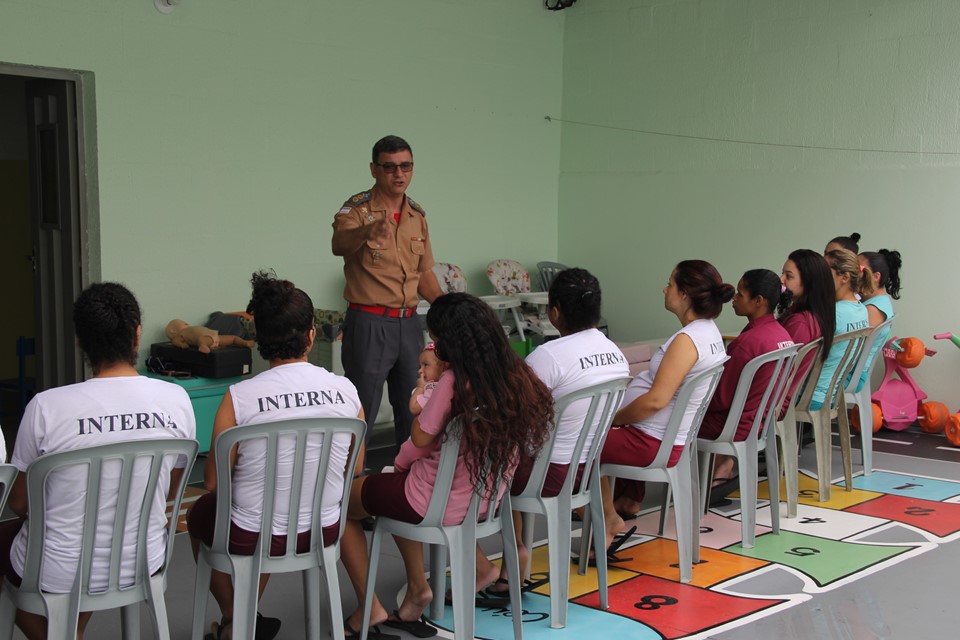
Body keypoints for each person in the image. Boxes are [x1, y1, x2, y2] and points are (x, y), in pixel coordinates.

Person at [339, 292, 553, 638]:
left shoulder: (453, 382)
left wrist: (423, 393)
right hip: (486, 500)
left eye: (437, 342)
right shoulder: (516, 376)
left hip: (432, 501)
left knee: (343, 503)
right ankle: (428, 586)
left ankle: (372, 605)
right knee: (393, 488)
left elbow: (420, 438)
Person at [0, 283, 196, 640]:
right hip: (144, 558)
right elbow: (169, 488)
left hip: (57, 571)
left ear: (80, 340)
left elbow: (19, 503)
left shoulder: (46, 407)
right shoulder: (176, 399)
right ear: (137, 335)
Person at [186, 272, 364, 640]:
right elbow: (356, 467)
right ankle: (239, 620)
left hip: (252, 535)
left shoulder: (239, 397)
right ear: (311, 335)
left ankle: (235, 618)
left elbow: (214, 481)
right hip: (324, 529)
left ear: (260, 340)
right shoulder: (345, 390)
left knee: (198, 515)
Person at [479, 267, 629, 594]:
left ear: (554, 312)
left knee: (485, 462)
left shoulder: (548, 356)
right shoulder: (615, 354)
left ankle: (512, 557)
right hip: (588, 471)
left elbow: (511, 417)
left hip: (548, 475)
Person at [598, 260, 732, 553]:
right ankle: (625, 501)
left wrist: (614, 420)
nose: (664, 289)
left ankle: (606, 520)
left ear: (685, 294)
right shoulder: (709, 332)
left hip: (651, 442)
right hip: (669, 437)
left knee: (579, 443)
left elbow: (655, 402)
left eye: (670, 283)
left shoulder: (687, 341)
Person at [331, 135, 444, 451]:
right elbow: (338, 244)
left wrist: (450, 307)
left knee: (416, 406)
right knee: (362, 408)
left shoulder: (417, 216)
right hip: (369, 323)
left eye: (406, 166)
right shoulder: (358, 209)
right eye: (390, 167)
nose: (399, 174)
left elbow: (423, 274)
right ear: (374, 169)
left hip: (409, 324)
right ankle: (353, 477)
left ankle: (408, 476)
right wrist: (365, 231)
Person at [699, 270, 795, 485]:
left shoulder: (747, 343)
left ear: (758, 301)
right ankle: (719, 469)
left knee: (674, 418)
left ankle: (683, 489)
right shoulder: (783, 335)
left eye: (740, 294)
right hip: (762, 422)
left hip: (735, 426)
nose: (734, 299)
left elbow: (720, 399)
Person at [809, 249, 874, 410]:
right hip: (833, 395)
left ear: (844, 277)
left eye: (825, 273)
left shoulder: (833, 313)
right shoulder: (862, 310)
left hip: (811, 396)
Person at [856, 249, 903, 390]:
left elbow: (853, 348)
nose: (851, 274)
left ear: (876, 277)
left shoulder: (874, 309)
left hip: (852, 375)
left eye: (857, 269)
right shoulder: (877, 301)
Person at [408, 343, 447, 417]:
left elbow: (413, 408)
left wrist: (420, 387)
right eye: (419, 366)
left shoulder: (431, 388)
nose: (419, 371)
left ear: (443, 367)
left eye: (426, 365)